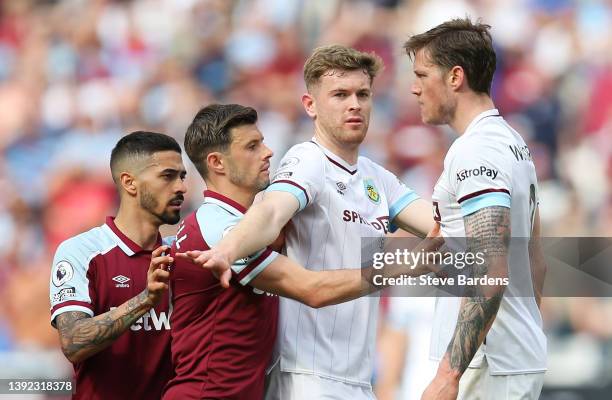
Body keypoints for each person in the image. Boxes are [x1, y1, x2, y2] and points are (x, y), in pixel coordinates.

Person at [183, 46, 436, 400]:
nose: (355, 104)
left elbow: (446, 228)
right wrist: (227, 250)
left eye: (363, 94)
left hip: (360, 380)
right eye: (340, 94)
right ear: (310, 105)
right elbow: (271, 211)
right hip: (306, 377)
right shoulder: (308, 160)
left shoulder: (378, 179)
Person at [403, 18, 547, 400]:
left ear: (455, 77)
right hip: (510, 357)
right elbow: (535, 262)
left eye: (421, 74)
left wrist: (448, 375)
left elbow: (492, 266)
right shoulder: (513, 142)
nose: (414, 88)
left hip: (487, 366)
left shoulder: (476, 150)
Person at [49, 131, 187, 399]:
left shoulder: (181, 253)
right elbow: (73, 342)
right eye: (167, 176)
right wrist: (146, 300)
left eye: (182, 177)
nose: (181, 187)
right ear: (130, 183)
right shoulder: (82, 252)